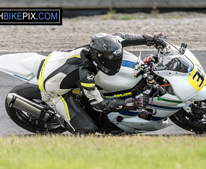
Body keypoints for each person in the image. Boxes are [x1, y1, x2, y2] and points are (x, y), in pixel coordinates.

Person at [38, 32, 166, 133]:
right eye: (110, 61)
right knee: (87, 131)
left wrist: (151, 38)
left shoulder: (106, 47)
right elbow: (100, 105)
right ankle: (60, 117)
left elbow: (124, 37)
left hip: (57, 61)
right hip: (53, 92)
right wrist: (129, 103)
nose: (115, 63)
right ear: (99, 58)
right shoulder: (85, 74)